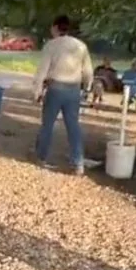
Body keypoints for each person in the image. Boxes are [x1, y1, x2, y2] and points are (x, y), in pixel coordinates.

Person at [32, 15, 93, 174]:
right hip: (74, 89)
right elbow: (88, 71)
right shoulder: (81, 46)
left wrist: (37, 91)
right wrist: (87, 88)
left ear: (56, 27)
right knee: (73, 125)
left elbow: (42, 71)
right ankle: (78, 162)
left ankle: (41, 156)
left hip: (56, 88)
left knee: (48, 124)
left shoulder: (51, 45)